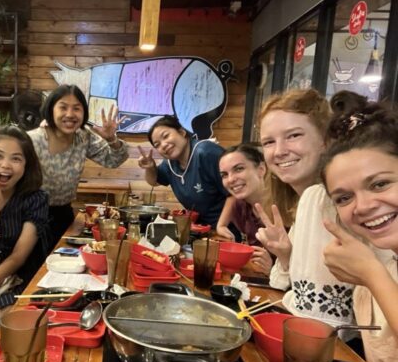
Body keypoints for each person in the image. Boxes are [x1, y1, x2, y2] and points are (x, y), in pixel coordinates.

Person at [255, 89, 356, 329]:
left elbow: (320, 321)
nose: (279, 151)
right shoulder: (304, 202)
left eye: (293, 135)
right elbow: (294, 287)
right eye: (269, 142)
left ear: (325, 140)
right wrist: (286, 255)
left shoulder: (323, 198)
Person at [321, 91, 397, 362]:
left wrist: (370, 274)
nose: (362, 206)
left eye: (379, 184)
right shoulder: (382, 269)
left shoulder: (374, 273)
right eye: (344, 197)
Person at [28, 84, 128, 248]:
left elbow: (113, 160)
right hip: (32, 217)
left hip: (64, 215)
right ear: (51, 109)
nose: (70, 114)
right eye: (63, 107)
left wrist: (112, 139)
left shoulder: (83, 136)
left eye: (76, 108)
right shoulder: (32, 140)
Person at [0, 125, 49, 312]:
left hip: (12, 279)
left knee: (8, 318)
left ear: (26, 165)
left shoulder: (35, 199)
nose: (6, 165)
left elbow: (18, 257)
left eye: (16, 159)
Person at [138, 115, 229, 229]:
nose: (164, 145)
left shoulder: (206, 152)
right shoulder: (170, 164)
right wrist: (150, 167)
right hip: (201, 229)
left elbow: (233, 194)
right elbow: (154, 181)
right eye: (157, 145)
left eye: (166, 136)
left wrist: (222, 225)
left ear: (181, 132)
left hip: (227, 229)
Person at [217, 143, 273, 273]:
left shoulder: (286, 207)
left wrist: (275, 269)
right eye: (224, 175)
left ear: (261, 169)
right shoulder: (239, 206)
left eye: (239, 169)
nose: (230, 179)